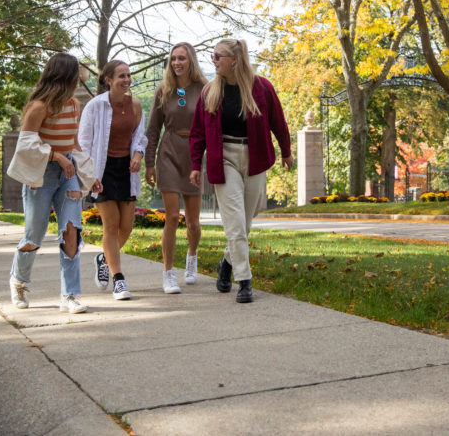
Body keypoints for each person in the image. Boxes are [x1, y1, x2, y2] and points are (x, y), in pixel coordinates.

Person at [189, 39, 292, 303]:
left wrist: (286, 150)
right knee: (235, 222)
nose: (213, 61)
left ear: (234, 60)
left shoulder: (261, 87)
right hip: (224, 158)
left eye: (217, 57)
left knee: (245, 221)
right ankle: (244, 280)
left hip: (255, 156)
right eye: (212, 56)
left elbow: (278, 120)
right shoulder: (210, 92)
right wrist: (194, 164)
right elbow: (198, 132)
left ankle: (226, 263)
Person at [9, 52, 100, 314]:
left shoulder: (73, 105)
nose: (79, 82)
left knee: (71, 231)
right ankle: (19, 281)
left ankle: (70, 295)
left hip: (68, 172)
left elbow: (73, 143)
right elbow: (26, 143)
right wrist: (56, 156)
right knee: (34, 235)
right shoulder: (39, 107)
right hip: (41, 174)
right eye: (76, 77)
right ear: (64, 77)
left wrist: (90, 175)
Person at [79, 59, 147, 300]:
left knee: (126, 227)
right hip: (102, 170)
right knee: (111, 224)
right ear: (108, 80)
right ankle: (119, 280)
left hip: (126, 171)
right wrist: (88, 176)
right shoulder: (95, 106)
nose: (127, 80)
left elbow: (140, 138)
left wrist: (139, 154)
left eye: (128, 75)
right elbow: (84, 143)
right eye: (121, 76)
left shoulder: (136, 106)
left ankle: (104, 258)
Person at [145, 42, 208, 294]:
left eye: (181, 58)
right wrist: (150, 162)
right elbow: (152, 130)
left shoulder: (204, 89)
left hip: (193, 156)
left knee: (193, 222)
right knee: (171, 217)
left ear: (190, 60)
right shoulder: (164, 90)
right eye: (173, 59)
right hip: (168, 152)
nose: (177, 63)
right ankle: (168, 273)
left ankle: (191, 259)